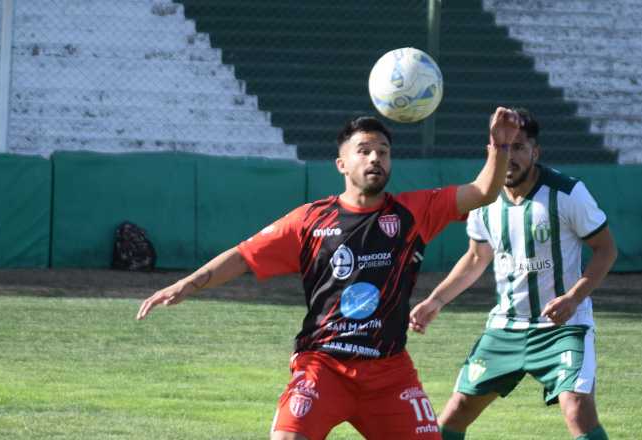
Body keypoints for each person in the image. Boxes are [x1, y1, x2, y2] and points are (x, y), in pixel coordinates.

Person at [136, 108, 522, 440]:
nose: (375, 159)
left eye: (384, 152)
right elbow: (243, 256)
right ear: (342, 164)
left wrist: (500, 147)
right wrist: (188, 284)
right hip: (323, 366)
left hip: (390, 373)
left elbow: (484, 191)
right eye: (365, 151)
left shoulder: (415, 211)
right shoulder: (310, 220)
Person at [409, 108, 618, 440]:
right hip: (505, 327)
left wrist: (574, 297)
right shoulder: (483, 200)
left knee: (577, 408)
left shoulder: (567, 193)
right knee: (456, 410)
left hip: (562, 327)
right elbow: (477, 258)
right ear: (491, 151)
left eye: (520, 147)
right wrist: (436, 300)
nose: (511, 156)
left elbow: (606, 249)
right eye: (503, 147)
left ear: (536, 152)